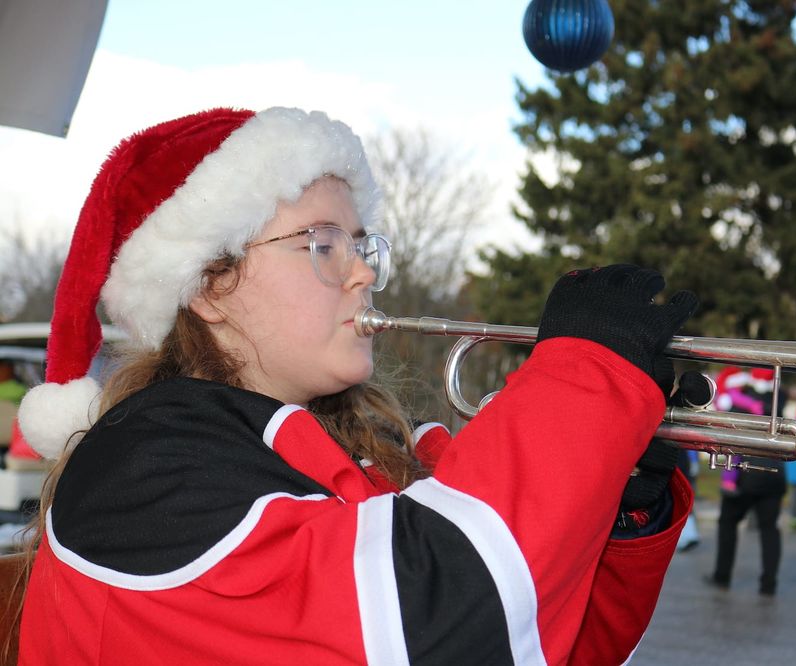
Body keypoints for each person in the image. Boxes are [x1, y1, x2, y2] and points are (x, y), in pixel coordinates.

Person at [11, 107, 705, 664]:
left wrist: (616, 503)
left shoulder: (373, 449)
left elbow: (539, 634)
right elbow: (429, 623)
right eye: (322, 244)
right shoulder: (142, 467)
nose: (364, 272)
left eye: (361, 243)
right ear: (210, 286)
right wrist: (585, 384)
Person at [706, 368, 787, 596]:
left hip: (744, 474)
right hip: (774, 473)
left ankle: (722, 576)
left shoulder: (742, 400)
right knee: (770, 529)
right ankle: (768, 584)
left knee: (727, 524)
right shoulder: (779, 399)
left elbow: (727, 430)